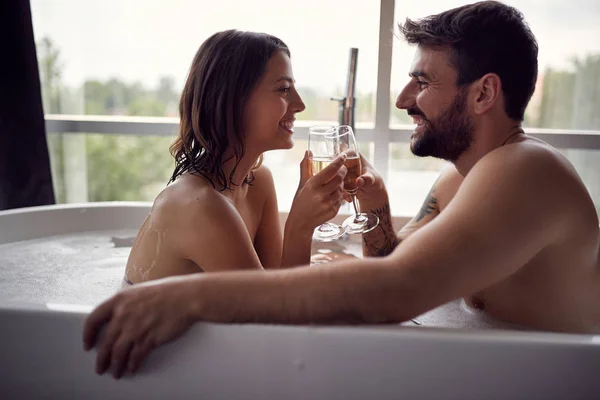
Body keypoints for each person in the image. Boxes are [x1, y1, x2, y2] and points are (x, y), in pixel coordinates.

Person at [84, 1, 600, 379]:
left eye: (422, 81)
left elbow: (395, 290)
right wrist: (376, 213)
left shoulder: (528, 170)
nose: (402, 99)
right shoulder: (462, 179)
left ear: (484, 92)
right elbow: (394, 265)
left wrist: (186, 298)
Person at [122, 29, 348, 285]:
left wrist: (303, 210)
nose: (299, 104)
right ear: (233, 99)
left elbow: (277, 286)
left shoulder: (258, 182)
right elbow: (276, 318)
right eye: (283, 89)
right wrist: (301, 225)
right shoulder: (199, 205)